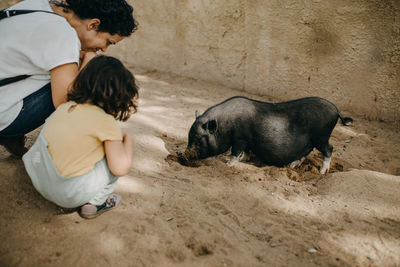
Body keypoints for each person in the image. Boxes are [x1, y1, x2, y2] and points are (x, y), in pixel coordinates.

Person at [0, 0, 137, 157]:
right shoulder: (64, 34)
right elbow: (66, 104)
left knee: (65, 66)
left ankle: (12, 136)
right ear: (93, 24)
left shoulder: (41, 5)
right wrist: (88, 62)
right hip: (3, 115)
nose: (104, 49)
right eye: (108, 42)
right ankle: (10, 133)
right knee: (85, 80)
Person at [23, 55, 139, 219]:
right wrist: (128, 142)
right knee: (112, 159)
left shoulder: (66, 107)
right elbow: (120, 168)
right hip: (68, 193)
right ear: (120, 94)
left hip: (37, 177)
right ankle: (95, 203)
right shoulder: (106, 122)